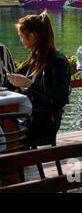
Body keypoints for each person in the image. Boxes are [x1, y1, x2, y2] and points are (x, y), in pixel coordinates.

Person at [7, 11, 71, 141]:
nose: (20, 39)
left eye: (21, 35)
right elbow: (13, 78)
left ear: (32, 36)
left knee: (5, 126)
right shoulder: (36, 58)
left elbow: (60, 100)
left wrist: (29, 84)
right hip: (32, 116)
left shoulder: (57, 61)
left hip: (43, 121)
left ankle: (13, 158)